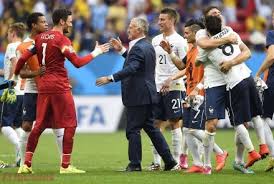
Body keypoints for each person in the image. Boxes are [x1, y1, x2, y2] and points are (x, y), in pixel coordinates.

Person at [13, 8, 110, 174]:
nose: (71, 25)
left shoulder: (39, 38)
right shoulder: (62, 40)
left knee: (39, 125)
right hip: (59, 87)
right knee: (71, 124)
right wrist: (97, 52)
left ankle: (26, 164)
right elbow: (78, 63)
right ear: (62, 22)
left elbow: (22, 58)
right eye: (70, 22)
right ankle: (65, 166)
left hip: (44, 87)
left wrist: (16, 75)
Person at [96, 17, 179, 171]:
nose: (128, 29)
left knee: (133, 129)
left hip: (137, 95)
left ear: (139, 30)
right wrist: (122, 50)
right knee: (151, 129)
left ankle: (135, 164)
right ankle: (170, 161)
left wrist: (110, 78)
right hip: (147, 94)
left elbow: (133, 68)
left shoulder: (139, 48)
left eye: (131, 26)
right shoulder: (146, 46)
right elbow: (137, 63)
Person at [195, 6, 267, 174]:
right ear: (205, 20)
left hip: (232, 81)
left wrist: (229, 62)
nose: (218, 15)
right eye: (214, 14)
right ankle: (207, 163)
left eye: (219, 13)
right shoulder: (210, 33)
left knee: (241, 121)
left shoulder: (229, 30)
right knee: (212, 124)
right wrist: (227, 39)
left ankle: (240, 160)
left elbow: (247, 52)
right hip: (216, 83)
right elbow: (204, 45)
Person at [16, 12, 64, 170]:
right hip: (32, 90)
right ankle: (24, 164)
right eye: (42, 22)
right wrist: (37, 73)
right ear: (33, 25)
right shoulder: (23, 46)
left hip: (50, 90)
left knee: (57, 125)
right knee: (27, 126)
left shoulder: (51, 39)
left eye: (46, 21)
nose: (46, 24)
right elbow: (21, 72)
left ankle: (65, 164)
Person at [149, 7, 187, 170]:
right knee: (155, 124)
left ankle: (176, 162)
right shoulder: (155, 40)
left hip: (175, 87)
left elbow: (186, 67)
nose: (159, 22)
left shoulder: (180, 41)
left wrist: (171, 79)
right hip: (157, 87)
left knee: (174, 123)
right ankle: (156, 162)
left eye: (163, 19)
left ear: (172, 21)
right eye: (159, 19)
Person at [0, 22, 26, 167]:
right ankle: (20, 158)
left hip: (12, 91)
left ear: (13, 33)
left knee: (4, 125)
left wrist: (10, 82)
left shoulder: (12, 46)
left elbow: (15, 64)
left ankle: (19, 149)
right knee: (17, 125)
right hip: (23, 92)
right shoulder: (25, 47)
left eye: (9, 33)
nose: (7, 36)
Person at [255, 9, 274, 172]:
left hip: (273, 82)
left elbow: (272, 56)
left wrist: (258, 73)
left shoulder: (272, 34)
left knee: (263, 119)